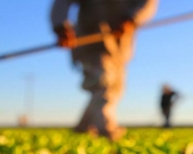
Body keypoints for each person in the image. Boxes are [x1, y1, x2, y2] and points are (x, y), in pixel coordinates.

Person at [50, 0, 159, 140]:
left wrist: (131, 19)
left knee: (115, 88)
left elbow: (147, 4)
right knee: (103, 84)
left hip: (119, 46)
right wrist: (61, 26)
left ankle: (83, 127)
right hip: (91, 42)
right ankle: (106, 128)